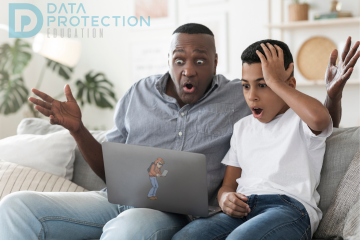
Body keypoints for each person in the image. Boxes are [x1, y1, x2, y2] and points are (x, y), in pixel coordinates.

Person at [0, 23, 358, 240]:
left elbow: (320, 122)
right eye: (179, 59)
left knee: (131, 229)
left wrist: (326, 92)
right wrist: (78, 130)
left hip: (179, 212)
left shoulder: (247, 98)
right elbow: (111, 169)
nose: (189, 69)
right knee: (15, 207)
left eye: (200, 60)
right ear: (168, 58)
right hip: (115, 199)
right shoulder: (139, 94)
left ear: (216, 63)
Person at [171, 40, 340, 240]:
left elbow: (320, 119)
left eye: (263, 84)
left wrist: (276, 82)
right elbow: (228, 185)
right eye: (245, 86)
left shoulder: (301, 119)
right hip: (244, 208)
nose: (252, 96)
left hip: (289, 209)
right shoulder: (242, 127)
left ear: (289, 85)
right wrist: (225, 198)